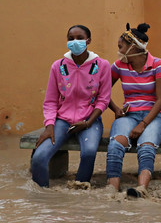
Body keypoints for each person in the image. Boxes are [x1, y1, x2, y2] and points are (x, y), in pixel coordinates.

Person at [31, 24, 112, 188]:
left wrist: (88, 122)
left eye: (80, 38)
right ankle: (43, 200)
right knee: (39, 157)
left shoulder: (102, 65)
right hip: (62, 121)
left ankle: (79, 192)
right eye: (71, 38)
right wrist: (49, 125)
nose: (75, 41)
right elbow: (50, 101)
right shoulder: (58, 66)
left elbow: (103, 99)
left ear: (88, 40)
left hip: (90, 120)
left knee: (89, 153)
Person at [106, 23, 161, 197]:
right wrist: (116, 109)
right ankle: (112, 191)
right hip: (128, 116)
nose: (118, 51)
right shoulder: (119, 65)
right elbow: (102, 91)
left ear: (133, 47)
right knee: (115, 145)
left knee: (146, 147)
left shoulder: (159, 65)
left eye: (121, 47)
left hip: (153, 117)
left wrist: (143, 124)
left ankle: (141, 189)